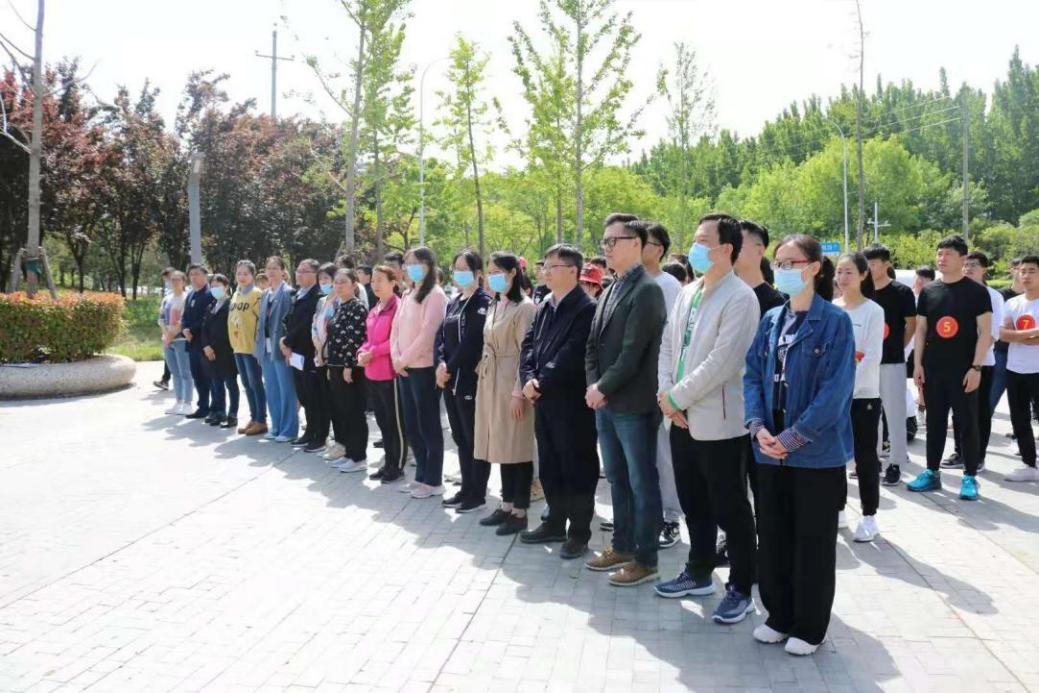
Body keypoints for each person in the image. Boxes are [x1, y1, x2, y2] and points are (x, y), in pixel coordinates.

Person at [743, 234, 854, 656]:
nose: (783, 270)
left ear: (814, 268)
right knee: (773, 535)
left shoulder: (835, 321)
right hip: (769, 451)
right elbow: (752, 375)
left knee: (813, 542)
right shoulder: (772, 319)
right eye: (779, 262)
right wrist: (757, 426)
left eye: (792, 263)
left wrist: (793, 437)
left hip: (814, 456)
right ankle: (779, 615)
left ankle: (810, 627)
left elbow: (834, 393)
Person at [655, 213, 760, 624]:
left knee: (731, 509)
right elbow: (668, 345)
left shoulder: (740, 298)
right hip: (679, 418)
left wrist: (676, 397)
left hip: (718, 422)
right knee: (693, 502)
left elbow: (723, 361)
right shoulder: (688, 292)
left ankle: (741, 588)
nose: (695, 248)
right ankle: (698, 571)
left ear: (726, 249)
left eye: (703, 241)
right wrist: (666, 394)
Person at [584, 213, 667, 587]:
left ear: (636, 243)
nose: (606, 248)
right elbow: (592, 345)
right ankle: (622, 545)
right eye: (604, 242)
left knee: (641, 481)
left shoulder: (647, 290)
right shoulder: (611, 287)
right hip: (606, 402)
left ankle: (646, 559)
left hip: (633, 403)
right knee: (617, 478)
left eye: (612, 241)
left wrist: (602, 387)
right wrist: (594, 386)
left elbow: (633, 353)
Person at [518, 244, 599, 557]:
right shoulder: (545, 304)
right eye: (545, 266)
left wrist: (541, 381)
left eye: (553, 266)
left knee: (576, 466)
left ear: (572, 271)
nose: (546, 272)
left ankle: (578, 532)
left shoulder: (586, 308)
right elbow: (528, 345)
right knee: (550, 465)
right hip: (543, 400)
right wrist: (527, 378)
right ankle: (554, 522)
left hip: (571, 403)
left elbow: (573, 352)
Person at [908, 236, 992, 500]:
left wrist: (976, 368)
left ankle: (969, 476)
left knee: (966, 423)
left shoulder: (977, 292)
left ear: (962, 258)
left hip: (964, 370)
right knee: (934, 422)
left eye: (948, 254)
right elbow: (921, 330)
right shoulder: (929, 291)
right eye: (939, 253)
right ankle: (932, 472)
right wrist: (917, 365)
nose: (941, 258)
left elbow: (985, 332)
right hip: (933, 369)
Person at [473, 252, 538, 534]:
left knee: (517, 448)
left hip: (512, 383)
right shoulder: (495, 304)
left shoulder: (525, 308)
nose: (492, 276)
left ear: (513, 272)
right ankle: (506, 504)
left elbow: (527, 352)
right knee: (501, 446)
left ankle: (520, 511)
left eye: (497, 271)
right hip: (491, 382)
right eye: (489, 271)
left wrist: (517, 393)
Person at [639, 221, 684, 550]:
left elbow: (671, 340)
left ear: (660, 250)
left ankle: (670, 518)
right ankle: (642, 513)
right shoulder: (626, 283)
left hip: (657, 383)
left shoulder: (668, 285)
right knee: (637, 454)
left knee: (662, 454)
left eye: (647, 242)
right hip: (628, 385)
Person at [436, 250, 492, 513]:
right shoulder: (454, 301)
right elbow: (442, 338)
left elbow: (472, 341)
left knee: (473, 438)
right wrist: (440, 363)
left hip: (469, 379)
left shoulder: (482, 302)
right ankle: (465, 487)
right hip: (450, 380)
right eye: (455, 268)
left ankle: (477, 493)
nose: (458, 273)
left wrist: (450, 366)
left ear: (478, 273)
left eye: (464, 268)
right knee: (459, 436)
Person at [834, 253, 884, 542]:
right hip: (834, 397)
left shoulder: (873, 311)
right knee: (834, 456)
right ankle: (838, 508)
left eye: (849, 272)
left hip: (863, 396)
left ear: (863, 275)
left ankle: (869, 516)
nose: (842, 278)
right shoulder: (832, 309)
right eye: (839, 271)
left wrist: (846, 389)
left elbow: (872, 356)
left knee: (864, 456)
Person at [391, 247, 449, 498]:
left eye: (415, 262)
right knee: (412, 424)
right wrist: (396, 358)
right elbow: (395, 329)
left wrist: (403, 359)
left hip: (423, 369)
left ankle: (433, 480)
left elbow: (428, 335)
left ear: (428, 264)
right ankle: (421, 476)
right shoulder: (407, 293)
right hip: (404, 369)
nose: (409, 267)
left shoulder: (435, 295)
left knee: (428, 426)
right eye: (407, 263)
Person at [942, 252, 1004, 472]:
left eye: (973, 265)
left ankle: (978, 456)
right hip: (956, 362)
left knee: (979, 412)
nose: (968, 268)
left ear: (984, 269)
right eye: (965, 264)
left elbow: (992, 333)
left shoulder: (993, 296)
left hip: (982, 363)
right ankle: (960, 452)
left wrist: (975, 361)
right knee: (958, 411)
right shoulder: (956, 292)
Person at [863, 244, 917, 486]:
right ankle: (871, 460)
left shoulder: (901, 292)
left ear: (886, 264)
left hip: (892, 360)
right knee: (870, 414)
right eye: (866, 264)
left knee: (894, 414)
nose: (869, 269)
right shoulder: (862, 291)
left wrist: (899, 347)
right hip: (865, 362)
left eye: (873, 264)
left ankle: (896, 462)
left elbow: (911, 324)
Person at [358, 266, 407, 483]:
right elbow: (368, 339)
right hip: (372, 372)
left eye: (380, 280)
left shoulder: (398, 306)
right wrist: (362, 352)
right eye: (373, 281)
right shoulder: (375, 308)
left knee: (394, 422)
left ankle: (397, 465)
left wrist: (373, 352)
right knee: (382, 422)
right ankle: (388, 462)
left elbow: (396, 340)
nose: (375, 284)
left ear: (393, 282)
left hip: (390, 372)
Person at [324, 268, 370, 473]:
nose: (339, 286)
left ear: (354, 285)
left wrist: (349, 366)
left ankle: (358, 456)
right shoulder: (340, 306)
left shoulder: (357, 307)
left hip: (349, 368)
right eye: (336, 282)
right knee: (344, 411)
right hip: (336, 366)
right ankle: (350, 453)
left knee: (354, 412)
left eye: (344, 282)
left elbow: (356, 339)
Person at [1000, 255, 1039, 482]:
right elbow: (1003, 334)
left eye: (1032, 271)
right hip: (1015, 369)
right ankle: (1029, 464)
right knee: (1019, 419)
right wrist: (1031, 334)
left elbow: (1011, 334)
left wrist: (1016, 335)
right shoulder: (1012, 303)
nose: (1026, 275)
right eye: (1023, 271)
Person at [281, 259, 324, 453]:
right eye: (298, 270)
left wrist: (287, 341)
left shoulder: (317, 296)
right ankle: (310, 431)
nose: (299, 274)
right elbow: (287, 320)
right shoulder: (297, 294)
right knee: (303, 395)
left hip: (308, 352)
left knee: (314, 396)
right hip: (294, 353)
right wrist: (285, 341)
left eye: (305, 271)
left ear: (315, 274)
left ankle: (319, 435)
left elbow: (306, 325)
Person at [254, 256, 298, 443]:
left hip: (281, 347)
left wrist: (289, 346)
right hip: (265, 348)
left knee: (286, 389)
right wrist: (258, 350)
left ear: (283, 271)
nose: (271, 272)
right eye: (268, 268)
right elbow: (260, 324)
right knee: (271, 389)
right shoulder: (265, 293)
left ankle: (289, 429)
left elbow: (291, 323)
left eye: (275, 268)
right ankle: (276, 426)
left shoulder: (288, 293)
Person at [228, 260, 267, 436]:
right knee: (246, 384)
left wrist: (259, 347)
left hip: (252, 348)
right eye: (239, 273)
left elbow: (262, 322)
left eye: (245, 274)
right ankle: (253, 417)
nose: (242, 277)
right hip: (238, 347)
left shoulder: (257, 294)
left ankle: (261, 420)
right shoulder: (236, 294)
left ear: (253, 275)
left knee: (255, 384)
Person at [200, 273, 239, 428]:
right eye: (212, 286)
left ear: (226, 286)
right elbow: (204, 328)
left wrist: (214, 346)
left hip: (226, 351)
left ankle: (232, 414)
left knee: (231, 383)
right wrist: (206, 346)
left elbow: (229, 330)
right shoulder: (211, 306)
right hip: (211, 352)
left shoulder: (231, 305)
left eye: (218, 286)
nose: (215, 289)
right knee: (216, 383)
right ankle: (219, 411)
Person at [311, 263, 339, 460]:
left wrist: (324, 349)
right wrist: (318, 348)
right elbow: (315, 325)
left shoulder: (339, 302)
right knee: (322, 398)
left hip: (332, 356)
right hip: (319, 354)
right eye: (321, 279)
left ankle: (339, 440)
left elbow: (334, 330)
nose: (323, 283)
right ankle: (324, 436)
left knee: (335, 400)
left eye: (326, 279)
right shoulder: (321, 301)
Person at [180, 264, 215, 419]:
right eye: (191, 274)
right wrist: (184, 329)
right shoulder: (191, 295)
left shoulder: (210, 294)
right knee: (197, 376)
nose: (193, 277)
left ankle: (215, 408)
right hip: (191, 343)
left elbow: (206, 319)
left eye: (197, 274)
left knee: (209, 377)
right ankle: (203, 406)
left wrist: (191, 330)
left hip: (205, 343)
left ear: (205, 275)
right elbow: (184, 316)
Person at [990, 258, 1023, 413]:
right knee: (990, 399)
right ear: (1011, 270)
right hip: (1002, 353)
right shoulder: (1000, 296)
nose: (1023, 273)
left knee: (1022, 405)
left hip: (1029, 355)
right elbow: (996, 326)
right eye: (1019, 268)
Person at [160, 271, 193, 414]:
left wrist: (171, 334)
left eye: (178, 279)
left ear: (184, 282)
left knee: (185, 372)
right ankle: (178, 401)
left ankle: (188, 403)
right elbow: (161, 319)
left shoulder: (186, 298)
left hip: (181, 340)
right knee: (175, 373)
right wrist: (166, 335)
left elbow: (183, 320)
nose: (174, 282)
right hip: (168, 341)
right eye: (172, 279)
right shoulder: (166, 299)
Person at [736, 220, 785, 316]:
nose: (730, 251)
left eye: (737, 246)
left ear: (760, 250)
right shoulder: (723, 291)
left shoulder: (774, 303)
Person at [154, 267, 175, 390]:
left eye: (170, 278)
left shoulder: (186, 293)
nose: (168, 281)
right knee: (169, 357)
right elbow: (162, 314)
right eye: (166, 279)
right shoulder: (167, 295)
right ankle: (165, 380)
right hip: (167, 332)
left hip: (179, 333)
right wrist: (165, 332)